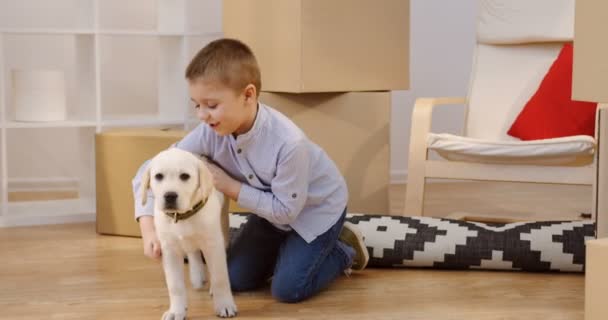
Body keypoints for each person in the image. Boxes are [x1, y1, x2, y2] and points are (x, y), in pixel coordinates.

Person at [132, 38, 369, 303]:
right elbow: (149, 169)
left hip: (314, 211)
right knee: (234, 280)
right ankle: (291, 251)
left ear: (248, 95)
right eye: (196, 105)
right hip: (269, 212)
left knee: (288, 290)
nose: (202, 115)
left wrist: (227, 185)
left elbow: (286, 211)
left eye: (211, 105)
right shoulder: (209, 132)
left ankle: (343, 249)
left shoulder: (289, 143)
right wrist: (149, 230)